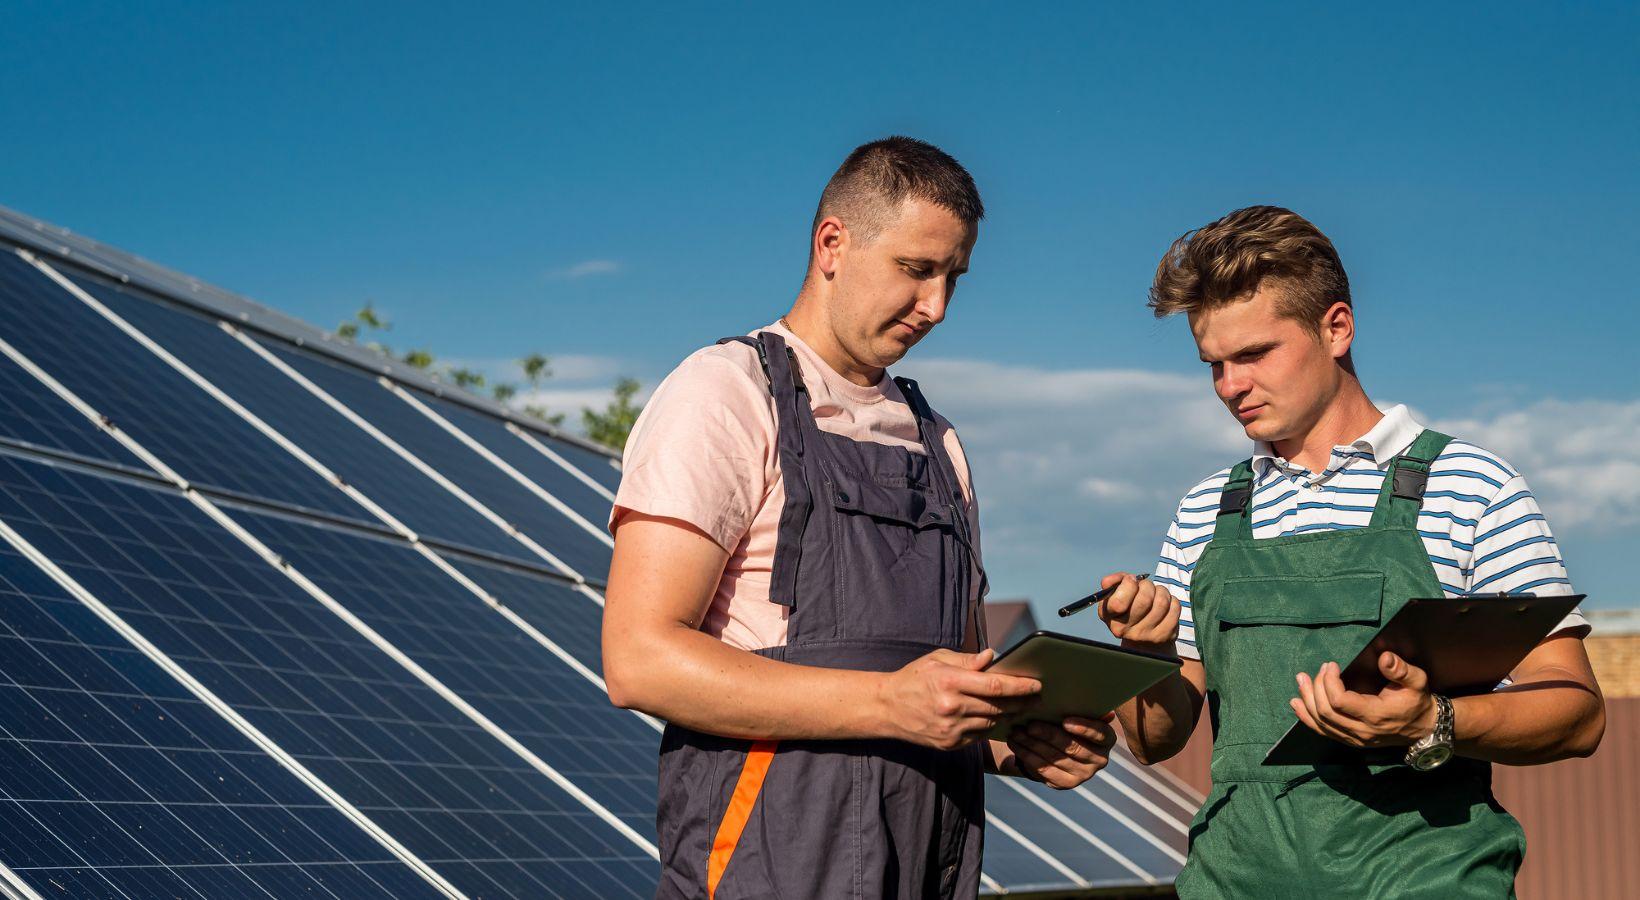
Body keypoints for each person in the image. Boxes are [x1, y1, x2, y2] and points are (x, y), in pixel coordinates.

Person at [602, 136, 1115, 900]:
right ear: (832, 244)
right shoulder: (724, 394)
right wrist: (887, 704)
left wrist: (1017, 745)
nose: (936, 307)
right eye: (915, 270)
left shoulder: (940, 443)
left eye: (953, 278)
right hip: (770, 863)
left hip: (929, 862)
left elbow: (952, 682)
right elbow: (638, 659)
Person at [1098, 205, 1606, 897]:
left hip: (1426, 880)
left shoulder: (1473, 486)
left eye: (1253, 355)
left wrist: (1433, 721)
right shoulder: (1205, 511)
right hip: (1232, 881)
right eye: (1212, 364)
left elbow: (1576, 712)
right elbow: (1157, 740)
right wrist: (1148, 649)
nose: (1229, 387)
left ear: (1336, 327)